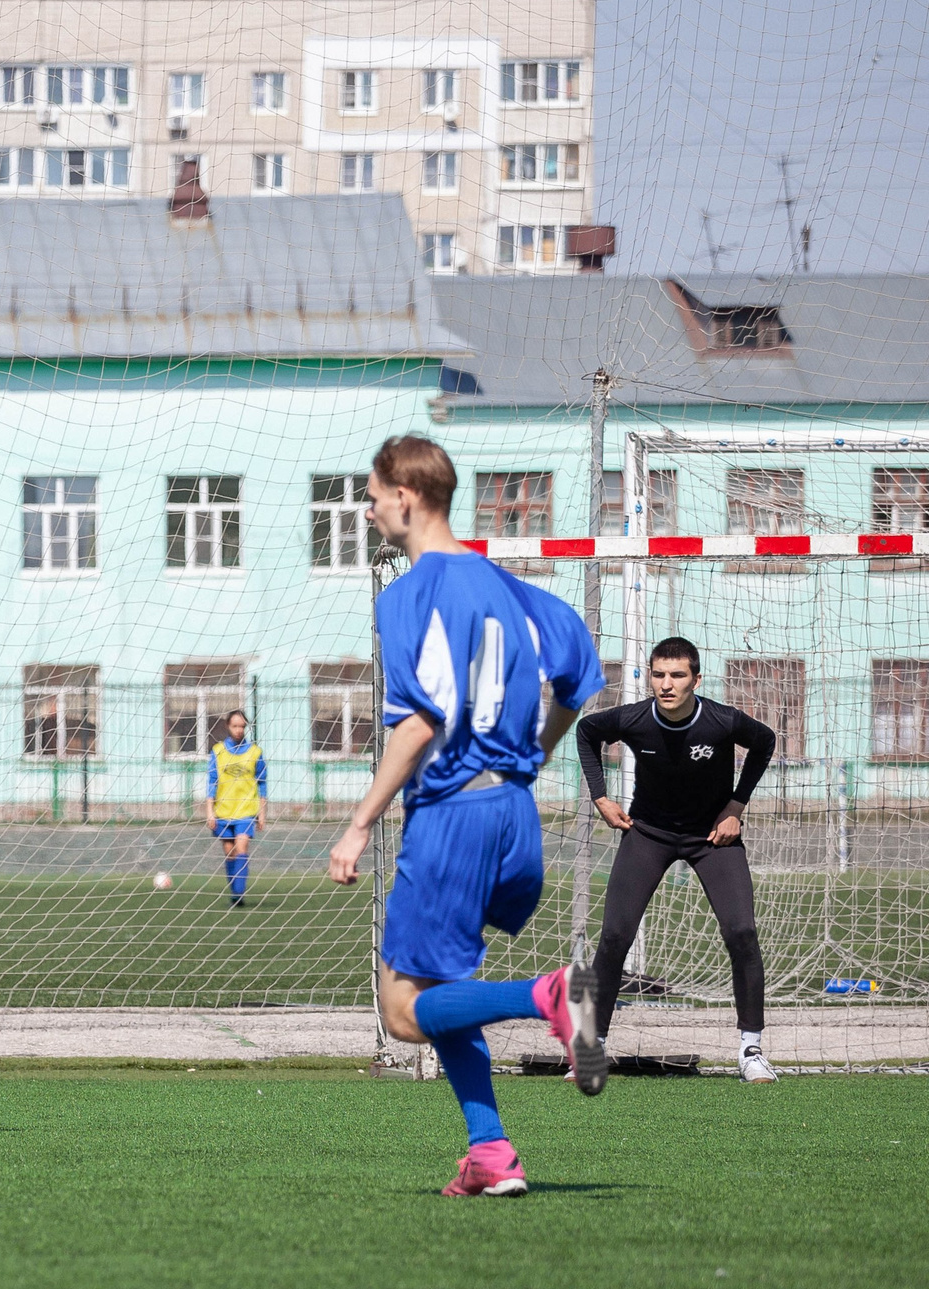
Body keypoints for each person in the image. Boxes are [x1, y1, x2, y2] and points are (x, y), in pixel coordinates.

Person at [326, 436, 605, 1197]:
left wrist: (359, 824)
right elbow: (580, 679)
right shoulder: (515, 589)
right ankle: (490, 1151)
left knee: (403, 1012)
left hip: (453, 818)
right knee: (440, 987)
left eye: (376, 492)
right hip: (515, 815)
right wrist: (530, 759)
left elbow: (416, 725)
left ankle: (547, 995)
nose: (371, 505)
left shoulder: (408, 594)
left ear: (406, 499)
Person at [576, 637, 778, 1082]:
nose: (666, 685)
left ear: (696, 679)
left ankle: (751, 1050)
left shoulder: (721, 721)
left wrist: (736, 807)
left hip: (712, 838)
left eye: (677, 675)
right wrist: (601, 799)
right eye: (659, 674)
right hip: (648, 833)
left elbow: (765, 742)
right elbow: (587, 732)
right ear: (650, 676)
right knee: (613, 937)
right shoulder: (633, 719)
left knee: (742, 932)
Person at [205, 709, 266, 906]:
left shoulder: (255, 752)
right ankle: (234, 889)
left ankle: (238, 894)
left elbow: (262, 783)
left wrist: (262, 813)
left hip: (246, 811)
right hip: (223, 811)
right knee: (229, 851)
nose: (239, 730)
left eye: (242, 726)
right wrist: (209, 812)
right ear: (227, 726)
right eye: (235, 726)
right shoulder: (218, 751)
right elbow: (212, 782)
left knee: (242, 847)